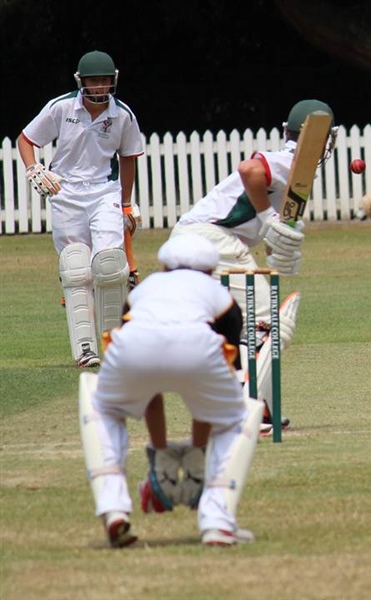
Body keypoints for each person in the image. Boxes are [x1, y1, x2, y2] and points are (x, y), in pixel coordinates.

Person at [79, 233, 262, 547]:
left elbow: (149, 386)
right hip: (198, 347)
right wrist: (197, 453)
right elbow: (217, 386)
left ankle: (113, 508)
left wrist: (161, 451)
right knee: (237, 416)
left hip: (132, 346)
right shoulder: (217, 293)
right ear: (210, 270)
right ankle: (217, 521)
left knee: (103, 408)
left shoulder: (146, 288)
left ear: (164, 266)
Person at [169, 99, 337, 431]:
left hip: (197, 240)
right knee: (268, 323)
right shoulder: (288, 161)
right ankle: (245, 410)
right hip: (211, 239)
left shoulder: (298, 170)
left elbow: (274, 230)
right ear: (319, 138)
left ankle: (257, 408)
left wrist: (282, 249)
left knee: (233, 328)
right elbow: (250, 170)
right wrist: (266, 216)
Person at [17, 50, 143, 368]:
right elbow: (26, 139)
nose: (99, 87)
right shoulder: (61, 107)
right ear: (81, 82)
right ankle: (85, 349)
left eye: (104, 80)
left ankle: (114, 347)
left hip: (104, 191)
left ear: (113, 80)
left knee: (110, 266)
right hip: (65, 192)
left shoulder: (122, 115)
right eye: (93, 81)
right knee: (76, 269)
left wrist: (126, 204)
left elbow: (128, 158)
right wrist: (33, 168)